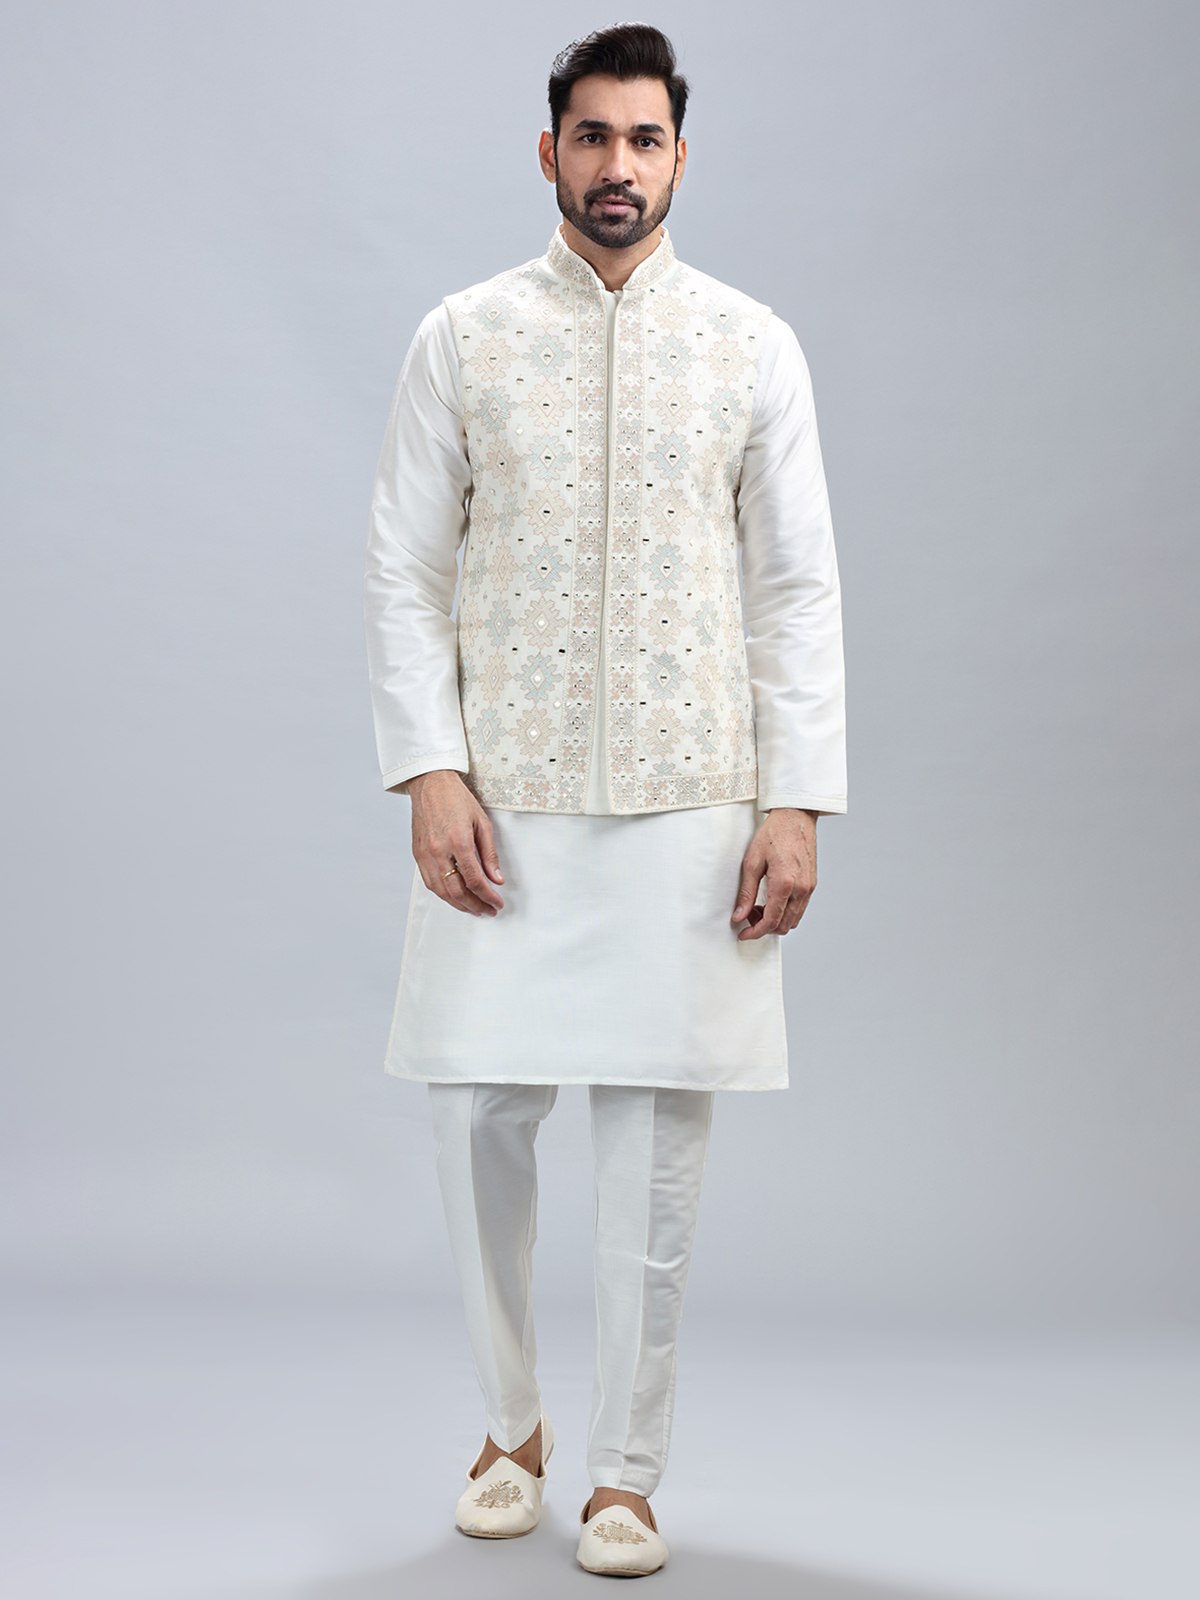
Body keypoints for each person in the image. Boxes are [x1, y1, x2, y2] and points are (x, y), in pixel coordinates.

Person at [364, 22, 845, 1578]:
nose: (617, 165)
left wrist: (796, 801)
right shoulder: (464, 336)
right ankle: (510, 1429)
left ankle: (626, 1477)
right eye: (592, 136)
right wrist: (431, 770)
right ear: (550, 151)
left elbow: (796, 588)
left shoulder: (751, 345)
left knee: (655, 1147)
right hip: (498, 806)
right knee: (475, 1123)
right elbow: (404, 569)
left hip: (688, 806)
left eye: (644, 139)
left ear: (679, 157)